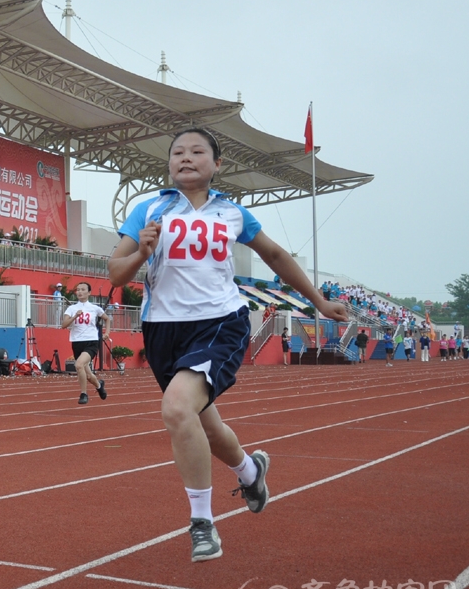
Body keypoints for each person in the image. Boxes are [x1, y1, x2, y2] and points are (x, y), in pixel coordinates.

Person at [106, 127, 348, 562]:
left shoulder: (233, 214)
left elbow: (276, 257)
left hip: (220, 322)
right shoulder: (148, 210)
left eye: (198, 152)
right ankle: (251, 472)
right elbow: (115, 273)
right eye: (177, 152)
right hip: (163, 328)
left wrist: (318, 301)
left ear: (218, 165)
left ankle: (202, 523)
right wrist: (141, 252)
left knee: (178, 408)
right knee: (204, 424)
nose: (186, 157)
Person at [61, 281, 111, 405]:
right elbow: (64, 325)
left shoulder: (94, 308)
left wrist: (107, 332)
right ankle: (99, 386)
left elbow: (107, 319)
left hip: (91, 341)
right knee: (88, 375)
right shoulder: (71, 308)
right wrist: (74, 317)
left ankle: (84, 394)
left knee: (78, 365)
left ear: (89, 292)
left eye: (83, 289)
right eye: (78, 290)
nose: (80, 292)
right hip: (77, 342)